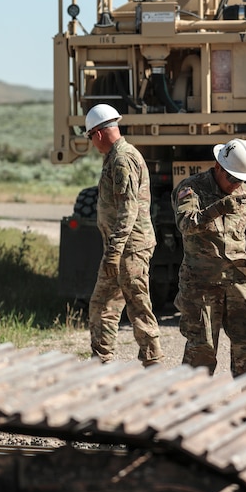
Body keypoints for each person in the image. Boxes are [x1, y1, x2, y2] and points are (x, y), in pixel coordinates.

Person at [171, 138, 246, 381]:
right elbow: (186, 224)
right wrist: (217, 208)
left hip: (239, 281)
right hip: (202, 284)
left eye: (241, 179)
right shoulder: (191, 188)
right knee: (202, 349)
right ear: (218, 166)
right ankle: (191, 407)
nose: (236, 185)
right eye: (232, 178)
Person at [84, 103, 163, 368]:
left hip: (130, 249)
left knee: (138, 304)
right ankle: (101, 360)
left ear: (97, 134)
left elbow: (128, 209)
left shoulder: (122, 158)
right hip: (119, 249)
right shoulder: (117, 156)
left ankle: (152, 363)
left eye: (90, 138)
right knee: (102, 304)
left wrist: (114, 252)